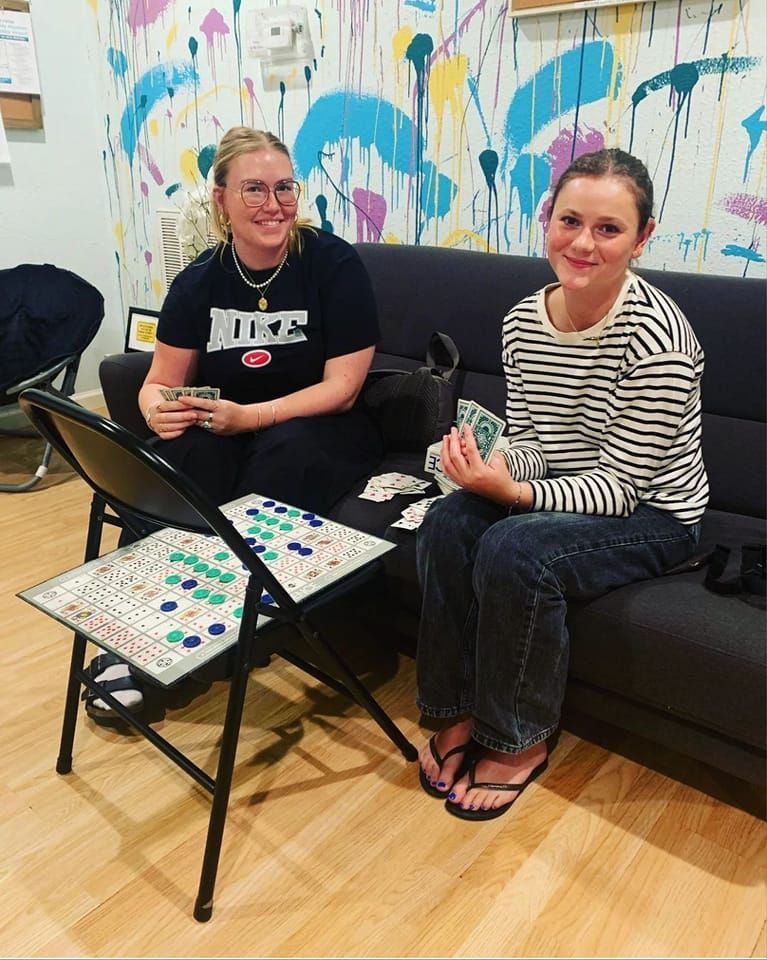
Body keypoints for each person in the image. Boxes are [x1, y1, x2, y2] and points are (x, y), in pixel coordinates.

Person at [415, 148, 708, 821]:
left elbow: (621, 488)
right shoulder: (522, 320)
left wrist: (512, 494)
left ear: (642, 238)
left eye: (608, 229)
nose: (581, 242)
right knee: (448, 520)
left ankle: (516, 739)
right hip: (570, 490)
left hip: (657, 514)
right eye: (568, 219)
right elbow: (534, 441)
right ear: (546, 218)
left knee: (516, 548)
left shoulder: (658, 336)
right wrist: (486, 469)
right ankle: (451, 712)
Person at [84, 126, 384, 724]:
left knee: (283, 455)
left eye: (284, 189)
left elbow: (344, 389)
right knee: (176, 460)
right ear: (220, 199)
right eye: (253, 189)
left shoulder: (332, 264)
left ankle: (215, 630)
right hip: (228, 424)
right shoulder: (200, 280)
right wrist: (155, 409)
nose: (272, 205)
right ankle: (140, 629)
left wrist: (254, 415)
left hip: (318, 424)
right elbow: (158, 381)